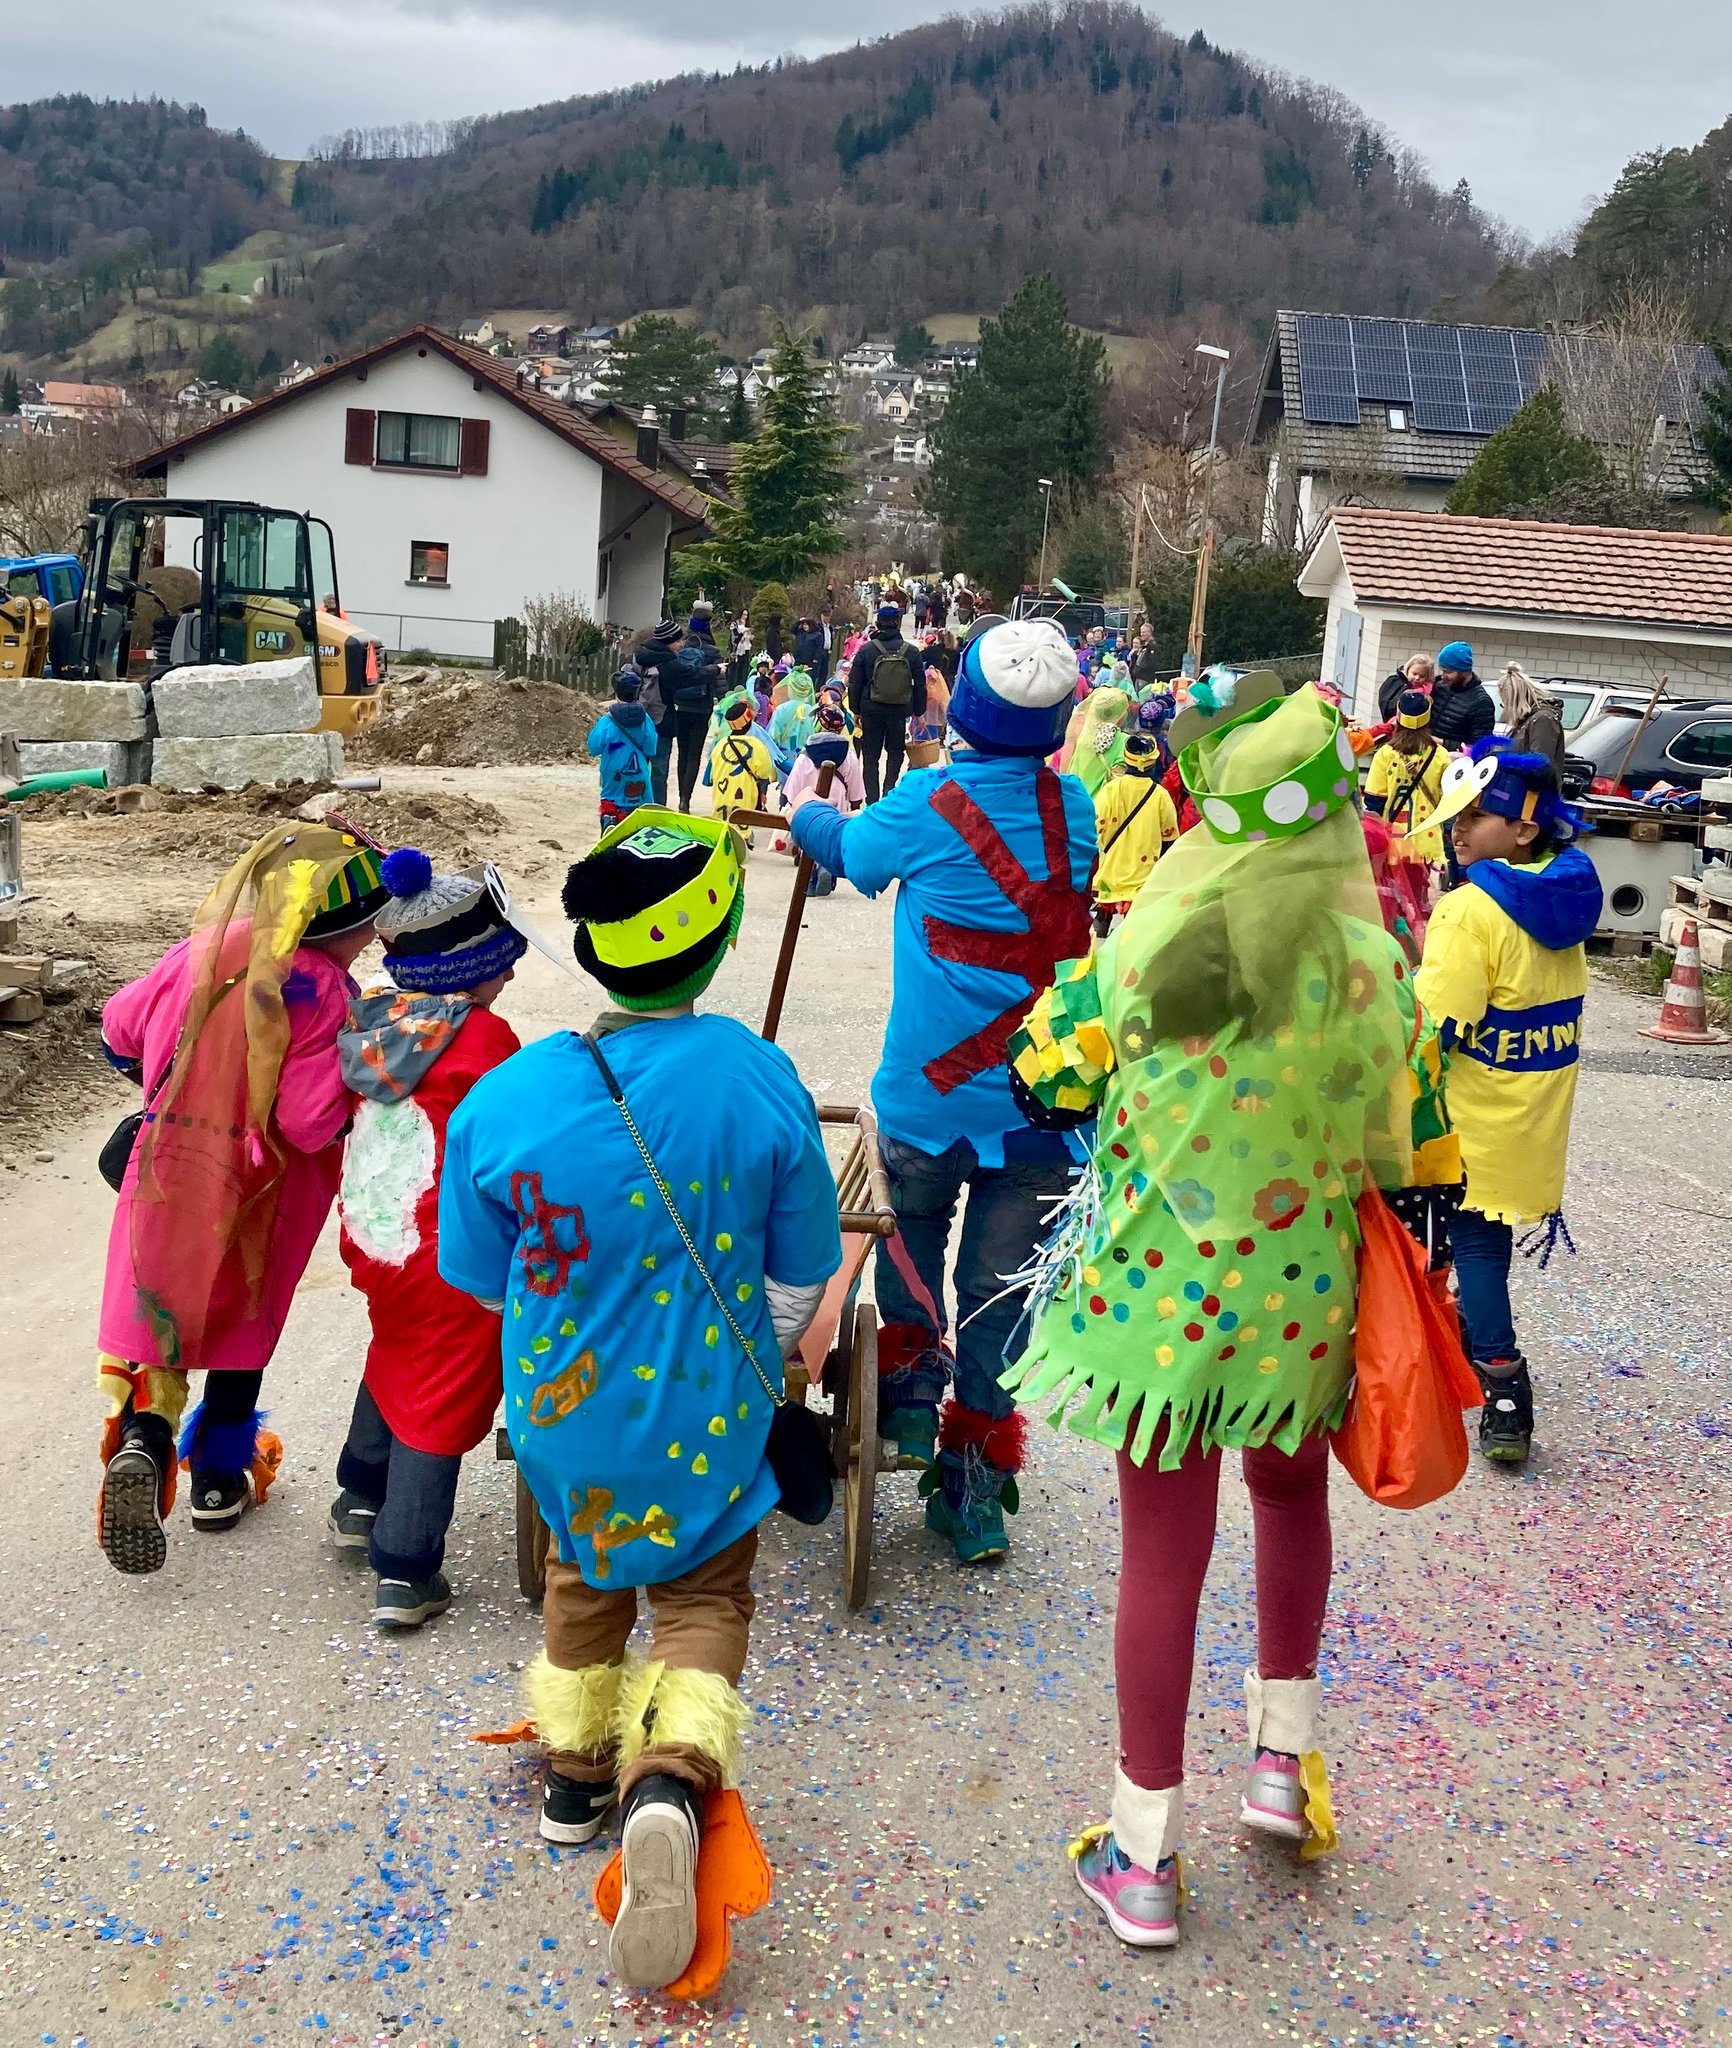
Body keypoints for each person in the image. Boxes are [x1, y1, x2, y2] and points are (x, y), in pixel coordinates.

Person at [1002, 684, 1420, 1946]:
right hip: (1301, 1299)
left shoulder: (1143, 946)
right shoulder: (1367, 965)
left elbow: (1043, 1071)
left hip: (1158, 1306)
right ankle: (1281, 1763)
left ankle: (1141, 1853)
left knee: (1159, 1550)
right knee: (1290, 1497)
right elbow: (1411, 1134)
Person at [439, 810, 841, 1991]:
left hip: (566, 1418)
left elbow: (482, 1280)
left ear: (591, 951)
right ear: (716, 943)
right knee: (703, 1592)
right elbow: (801, 1271)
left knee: (582, 1569)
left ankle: (573, 1782)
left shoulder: (507, 1097)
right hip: (707, 1416)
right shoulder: (757, 1077)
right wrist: (755, 1361)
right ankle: (667, 1778)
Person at [787, 618, 1096, 1560]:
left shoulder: (927, 801)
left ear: (963, 706)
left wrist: (802, 805)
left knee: (911, 1235)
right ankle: (972, 1489)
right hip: (1045, 1108)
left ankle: (911, 1402)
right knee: (1002, 1292)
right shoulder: (1076, 808)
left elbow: (847, 851)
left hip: (929, 1099)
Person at [94, 824, 391, 1575]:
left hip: (167, 1168)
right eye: (367, 927)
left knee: (159, 1306)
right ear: (342, 927)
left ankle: (145, 1441)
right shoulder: (321, 988)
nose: (370, 940)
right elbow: (306, 1120)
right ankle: (219, 1482)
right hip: (262, 1191)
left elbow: (119, 1029)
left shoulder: (205, 948)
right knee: (238, 1323)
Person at [330, 852, 527, 1627]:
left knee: (400, 1343)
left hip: (379, 1236)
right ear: (470, 969)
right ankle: (406, 1568)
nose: (510, 973)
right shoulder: (485, 1041)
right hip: (447, 1243)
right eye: (500, 962)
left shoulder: (379, 1023)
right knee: (445, 1385)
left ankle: (360, 1494)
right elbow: (511, 1139)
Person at [1414, 738, 1601, 1465]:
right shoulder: (1565, 894)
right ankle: (1473, 1342)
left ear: (1524, 828)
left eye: (1475, 818)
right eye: (1454, 817)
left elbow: (1436, 1030)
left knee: (1476, 1245)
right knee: (1484, 1241)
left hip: (1472, 1115)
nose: (1457, 831)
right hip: (1534, 1116)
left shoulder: (1470, 911)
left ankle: (1502, 1386)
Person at [1090, 726, 1179, 934]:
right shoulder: (1160, 795)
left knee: (1107, 900)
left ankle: (1102, 921)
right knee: (1135, 924)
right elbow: (1170, 836)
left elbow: (1095, 826)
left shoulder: (1110, 790)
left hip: (1112, 866)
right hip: (1144, 872)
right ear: (1153, 762)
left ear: (1126, 759)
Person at [848, 600, 928, 804]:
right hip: (898, 711)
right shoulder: (911, 652)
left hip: (871, 710)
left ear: (878, 623)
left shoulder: (866, 650)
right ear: (898, 623)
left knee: (870, 756)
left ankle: (872, 800)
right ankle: (888, 793)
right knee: (895, 753)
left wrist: (856, 709)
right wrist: (919, 712)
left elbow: (855, 683)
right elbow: (920, 685)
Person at [785, 699, 866, 894]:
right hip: (836, 810)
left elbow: (792, 793)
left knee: (810, 842)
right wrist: (854, 808)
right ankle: (827, 869)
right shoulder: (849, 756)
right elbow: (856, 793)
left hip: (809, 809)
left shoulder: (805, 757)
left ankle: (810, 878)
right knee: (830, 841)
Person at [1363, 688, 1448, 863]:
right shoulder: (1440, 755)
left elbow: (1374, 801)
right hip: (1427, 841)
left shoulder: (1386, 754)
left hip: (1392, 843)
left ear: (1398, 717)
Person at [666, 614, 725, 812]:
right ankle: (686, 798)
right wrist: (725, 702)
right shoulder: (712, 651)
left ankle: (680, 797)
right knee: (694, 755)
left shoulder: (680, 647)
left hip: (680, 705)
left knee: (682, 753)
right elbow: (719, 681)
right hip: (702, 707)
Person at [588, 668, 658, 830]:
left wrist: (614, 745)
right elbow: (651, 748)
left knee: (611, 803)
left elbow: (593, 747)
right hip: (639, 775)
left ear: (617, 693)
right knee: (640, 812)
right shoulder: (645, 719)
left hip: (613, 775)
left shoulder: (607, 721)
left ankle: (610, 822)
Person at [632, 620, 685, 808]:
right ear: (667, 641)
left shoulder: (637, 657)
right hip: (662, 722)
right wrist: (714, 670)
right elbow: (690, 675)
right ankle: (657, 808)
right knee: (659, 770)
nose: (681, 644)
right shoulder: (668, 664)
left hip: (639, 721)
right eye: (678, 640)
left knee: (637, 767)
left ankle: (636, 805)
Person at [708, 690, 776, 834]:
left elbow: (714, 771)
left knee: (722, 825)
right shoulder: (756, 745)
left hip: (721, 793)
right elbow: (764, 772)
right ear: (749, 721)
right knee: (741, 828)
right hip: (745, 795)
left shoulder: (720, 745)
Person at [1428, 641, 1496, 751]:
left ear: (1464, 671)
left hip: (1453, 759)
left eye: (1448, 672)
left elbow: (1480, 748)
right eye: (1442, 670)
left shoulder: (1481, 702)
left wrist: (1441, 742)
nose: (1443, 676)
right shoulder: (1439, 686)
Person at [1497, 663, 1565, 767]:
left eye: (1505, 704)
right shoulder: (1526, 720)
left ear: (1515, 701)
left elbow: (1540, 764)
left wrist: (1506, 763)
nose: (1505, 709)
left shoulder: (1542, 720)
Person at [1376, 652, 1435, 723]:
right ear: (1408, 669)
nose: (1417, 678)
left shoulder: (1429, 691)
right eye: (1414, 674)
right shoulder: (1394, 681)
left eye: (1422, 676)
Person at [792, 613, 830, 686]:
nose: (804, 626)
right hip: (798, 661)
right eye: (803, 624)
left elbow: (819, 648)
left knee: (808, 681)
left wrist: (816, 658)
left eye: (806, 625)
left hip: (810, 662)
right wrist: (799, 622)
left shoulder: (817, 635)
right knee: (796, 679)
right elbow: (793, 629)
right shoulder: (800, 633)